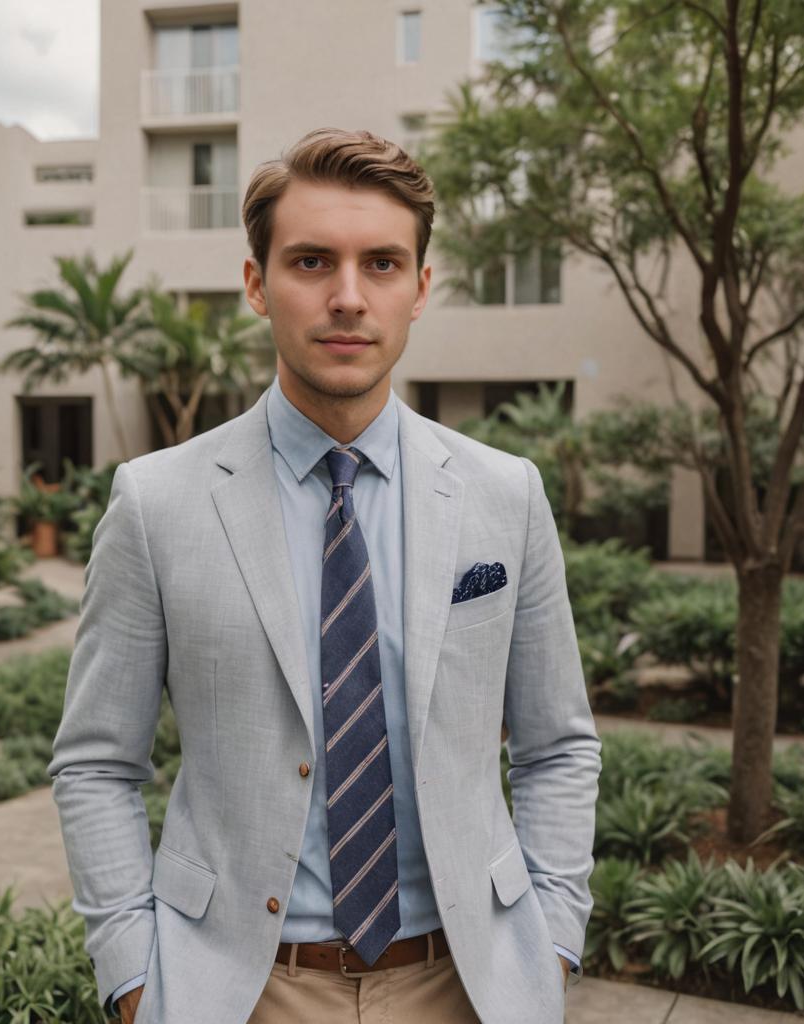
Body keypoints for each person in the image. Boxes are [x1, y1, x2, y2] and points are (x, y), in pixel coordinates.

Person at [48, 127, 602, 1024]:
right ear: (257, 284)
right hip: (236, 988)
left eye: (381, 264)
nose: (348, 297)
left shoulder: (507, 493)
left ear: (421, 288)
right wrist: (134, 979)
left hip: (469, 984)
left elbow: (558, 746)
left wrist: (554, 941)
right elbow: (97, 762)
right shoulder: (157, 503)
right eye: (311, 261)